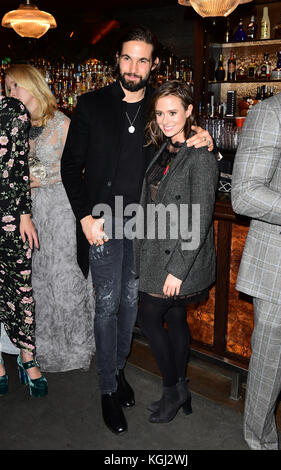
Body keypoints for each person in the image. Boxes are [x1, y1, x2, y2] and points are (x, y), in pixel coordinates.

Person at [61, 25, 214, 434]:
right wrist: (84, 219)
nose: (134, 66)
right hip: (102, 222)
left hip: (144, 228)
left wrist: (205, 137)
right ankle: (108, 388)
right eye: (127, 57)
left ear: (154, 64)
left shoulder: (157, 110)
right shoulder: (91, 104)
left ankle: (118, 368)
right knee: (107, 306)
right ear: (117, 59)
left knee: (130, 307)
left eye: (143, 59)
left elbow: (180, 133)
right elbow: (69, 167)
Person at [134, 80, 218, 423]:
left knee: (149, 316)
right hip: (158, 251)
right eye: (160, 113)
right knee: (174, 317)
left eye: (173, 112)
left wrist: (178, 270)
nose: (166, 119)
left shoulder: (200, 157)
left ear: (188, 113)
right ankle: (180, 388)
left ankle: (174, 390)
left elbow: (199, 219)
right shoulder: (164, 148)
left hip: (182, 258)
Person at [5, 64, 95, 373]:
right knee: (37, 280)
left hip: (61, 208)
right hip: (26, 213)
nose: (11, 93)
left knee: (65, 276)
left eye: (16, 86)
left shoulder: (63, 123)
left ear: (34, 86)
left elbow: (79, 169)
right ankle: (38, 348)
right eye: (7, 88)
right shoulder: (12, 126)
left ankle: (74, 347)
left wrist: (31, 175)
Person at [231, 86, 281, 450]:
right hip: (279, 267)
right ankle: (261, 444)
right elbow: (245, 194)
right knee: (268, 374)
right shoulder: (272, 113)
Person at [0, 95, 47, 397]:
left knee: (22, 287)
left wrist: (25, 215)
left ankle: (26, 355)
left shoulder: (13, 110)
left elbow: (19, 168)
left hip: (11, 217)